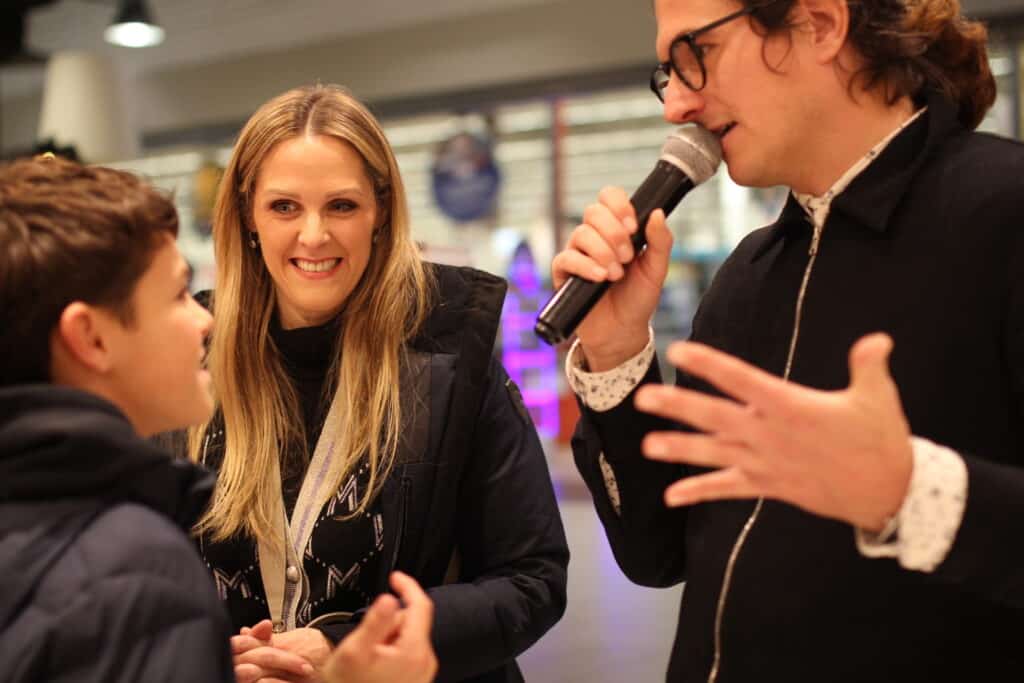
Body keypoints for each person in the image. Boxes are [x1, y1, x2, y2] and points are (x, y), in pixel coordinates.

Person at [551, 0, 1024, 679]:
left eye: (696, 55)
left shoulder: (1006, 215)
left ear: (822, 24)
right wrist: (618, 349)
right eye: (668, 73)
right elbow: (658, 554)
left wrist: (912, 492)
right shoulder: (746, 277)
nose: (676, 105)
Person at [0, 155, 441, 683]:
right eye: (176, 295)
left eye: (343, 205)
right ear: (91, 338)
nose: (204, 318)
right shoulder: (134, 569)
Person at [184, 84, 568, 683]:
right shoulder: (189, 356)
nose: (313, 236)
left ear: (380, 211)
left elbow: (532, 581)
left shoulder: (449, 354)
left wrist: (345, 646)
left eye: (341, 206)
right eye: (285, 207)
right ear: (247, 216)